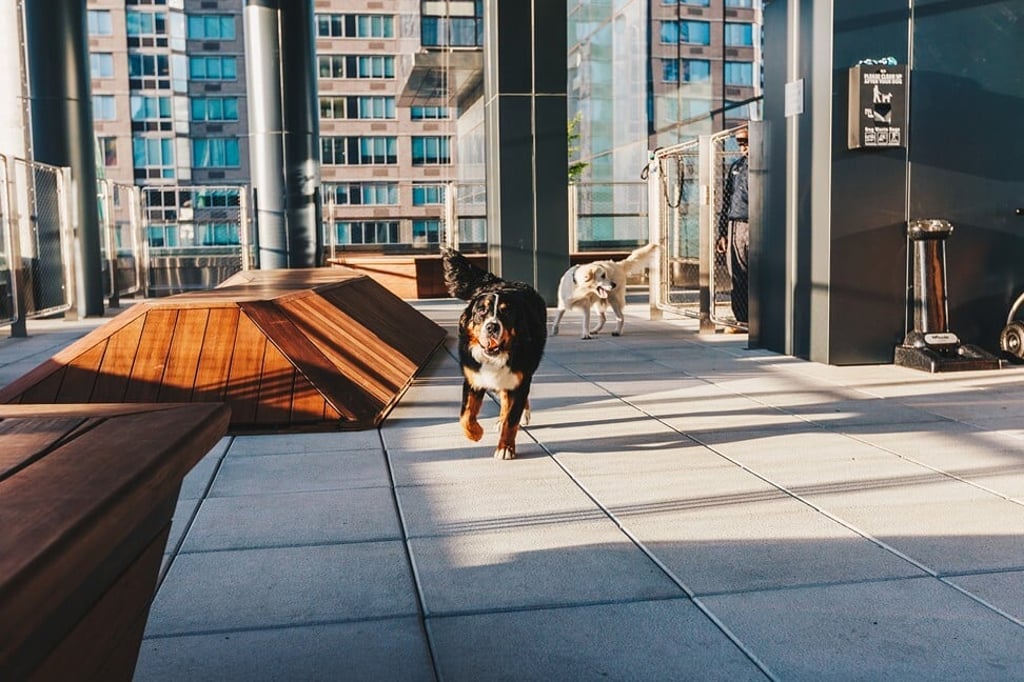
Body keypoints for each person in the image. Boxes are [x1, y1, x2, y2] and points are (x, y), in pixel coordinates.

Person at [716, 128, 749, 330]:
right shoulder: (736, 166)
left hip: (754, 221)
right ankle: (741, 318)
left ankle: (757, 316)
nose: (743, 147)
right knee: (736, 273)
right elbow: (726, 200)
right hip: (734, 223)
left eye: (746, 142)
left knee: (756, 273)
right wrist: (722, 232)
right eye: (741, 144)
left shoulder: (766, 163)